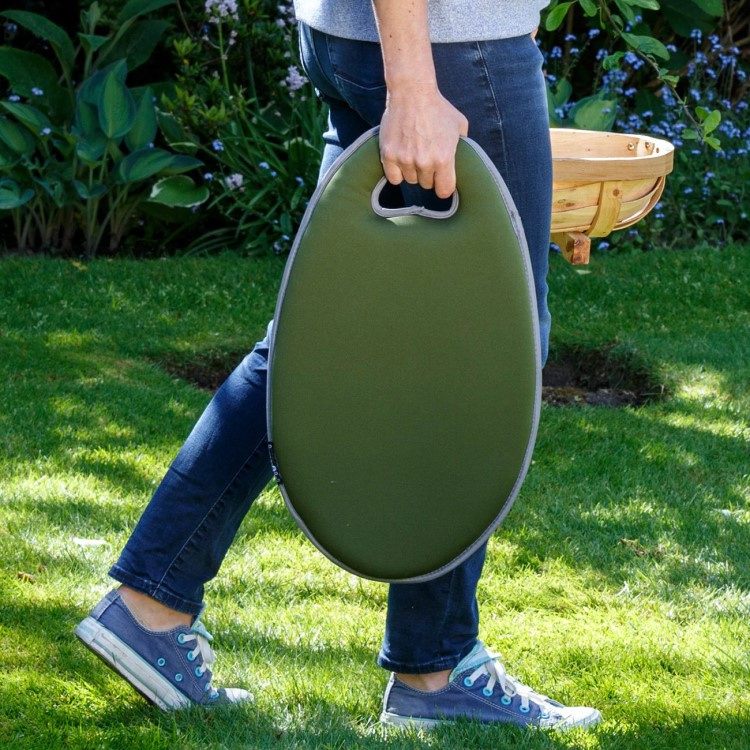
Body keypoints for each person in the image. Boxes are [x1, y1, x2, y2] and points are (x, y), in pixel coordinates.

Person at [75, 0, 602, 731]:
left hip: (365, 39)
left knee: (312, 344)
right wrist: (413, 86)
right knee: (488, 349)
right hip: (448, 47)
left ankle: (150, 603)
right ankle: (436, 670)